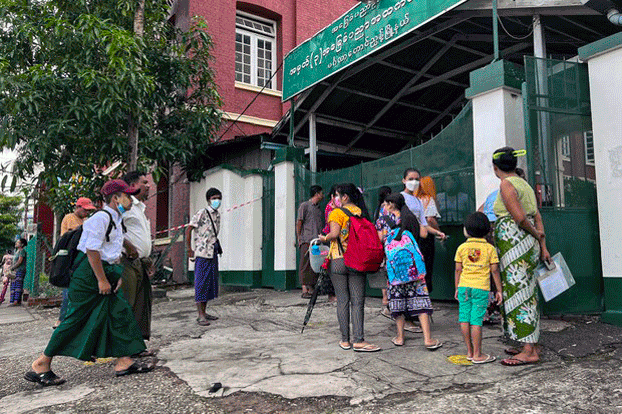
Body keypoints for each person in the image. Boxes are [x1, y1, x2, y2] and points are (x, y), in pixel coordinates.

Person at [25, 179, 151, 386]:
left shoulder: (116, 218)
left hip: (104, 269)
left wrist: (114, 275)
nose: (131, 199)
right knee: (75, 319)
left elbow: (110, 252)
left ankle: (124, 360)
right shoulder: (100, 218)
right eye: (127, 196)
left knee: (119, 313)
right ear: (115, 198)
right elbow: (92, 250)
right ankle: (41, 363)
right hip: (89, 274)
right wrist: (102, 280)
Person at [491, 147, 551, 366]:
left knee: (520, 294)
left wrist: (536, 235)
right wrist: (541, 244)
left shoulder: (507, 184)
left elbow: (521, 219)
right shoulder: (524, 184)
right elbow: (537, 217)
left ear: (495, 167)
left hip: (517, 245)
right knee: (526, 293)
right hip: (528, 246)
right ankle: (528, 343)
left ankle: (529, 350)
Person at [318, 183, 380, 352]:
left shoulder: (336, 213)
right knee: (358, 301)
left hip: (338, 261)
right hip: (357, 261)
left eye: (337, 195)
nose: (335, 199)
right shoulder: (361, 212)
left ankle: (345, 340)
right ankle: (359, 340)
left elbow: (334, 235)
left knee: (342, 300)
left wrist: (323, 238)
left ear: (345, 197)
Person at [377, 193, 442, 349]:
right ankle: (428, 339)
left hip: (394, 270)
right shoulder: (411, 217)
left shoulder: (382, 221)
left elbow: (380, 240)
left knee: (397, 302)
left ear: (390, 204)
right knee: (420, 299)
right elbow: (423, 234)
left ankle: (400, 337)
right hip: (413, 268)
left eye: (386, 204)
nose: (384, 207)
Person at [454, 212, 502, 364]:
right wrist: (499, 290)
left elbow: (458, 270)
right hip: (481, 288)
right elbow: (494, 270)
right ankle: (478, 354)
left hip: (464, 287)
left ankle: (469, 351)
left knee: (464, 318)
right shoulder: (490, 249)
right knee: (476, 320)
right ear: (488, 230)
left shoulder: (461, 248)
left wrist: (457, 287)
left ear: (466, 230)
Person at [121, 171, 155, 345]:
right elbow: (112, 228)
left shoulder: (140, 208)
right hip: (126, 262)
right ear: (133, 186)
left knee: (142, 305)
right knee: (129, 303)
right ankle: (126, 348)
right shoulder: (125, 204)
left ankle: (137, 344)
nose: (149, 186)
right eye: (144, 182)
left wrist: (147, 259)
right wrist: (127, 245)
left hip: (140, 263)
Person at [54, 197, 97, 328]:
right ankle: (62, 319)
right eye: (85, 210)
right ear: (78, 207)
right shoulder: (69, 218)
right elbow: (73, 234)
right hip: (69, 257)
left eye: (89, 211)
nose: (87, 213)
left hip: (80, 256)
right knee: (69, 288)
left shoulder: (85, 220)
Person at [186, 188, 222, 326]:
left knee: (210, 284)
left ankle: (205, 311)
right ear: (208, 200)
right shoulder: (202, 213)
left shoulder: (217, 215)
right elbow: (189, 229)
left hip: (212, 252)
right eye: (213, 198)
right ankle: (200, 315)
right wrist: (189, 248)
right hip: (202, 253)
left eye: (218, 198)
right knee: (201, 283)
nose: (216, 201)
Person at [296, 185, 324, 298]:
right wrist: (299, 237)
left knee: (315, 264)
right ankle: (304, 289)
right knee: (305, 263)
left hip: (316, 242)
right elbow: (299, 222)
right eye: (321, 193)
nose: (322, 195)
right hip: (306, 240)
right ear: (317, 193)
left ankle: (311, 288)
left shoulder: (318, 209)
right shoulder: (305, 206)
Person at [416, 176, 442, 293]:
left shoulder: (414, 200)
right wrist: (439, 231)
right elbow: (430, 219)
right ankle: (426, 295)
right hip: (426, 237)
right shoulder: (428, 200)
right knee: (427, 265)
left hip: (415, 236)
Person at [7, 238, 27, 306]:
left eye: (18, 242)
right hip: (15, 271)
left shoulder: (22, 251)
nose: (16, 243)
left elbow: (19, 261)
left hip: (20, 270)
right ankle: (12, 301)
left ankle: (16, 301)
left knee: (18, 285)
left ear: (22, 244)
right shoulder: (16, 251)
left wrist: (12, 267)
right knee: (13, 285)